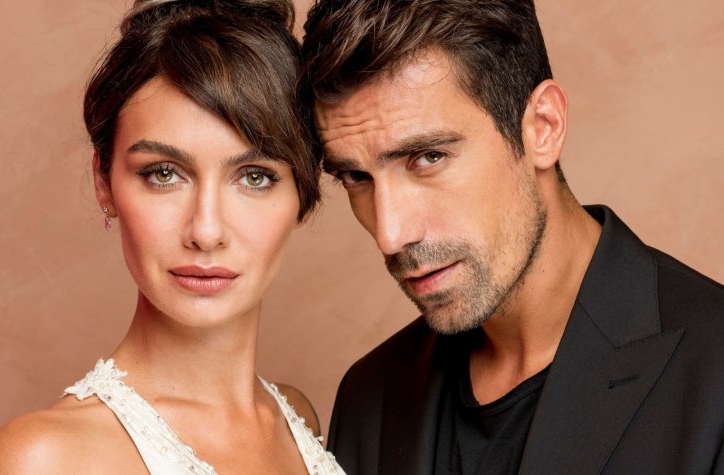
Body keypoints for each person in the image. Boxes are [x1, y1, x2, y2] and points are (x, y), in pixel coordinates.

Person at [300, 0, 724, 473]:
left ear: (543, 127)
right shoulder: (369, 398)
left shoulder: (714, 375)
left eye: (428, 157)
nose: (391, 234)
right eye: (356, 177)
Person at [0, 1, 344, 473]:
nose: (206, 231)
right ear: (104, 182)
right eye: (164, 174)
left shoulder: (297, 419)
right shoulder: (42, 458)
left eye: (254, 177)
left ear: (303, 193)